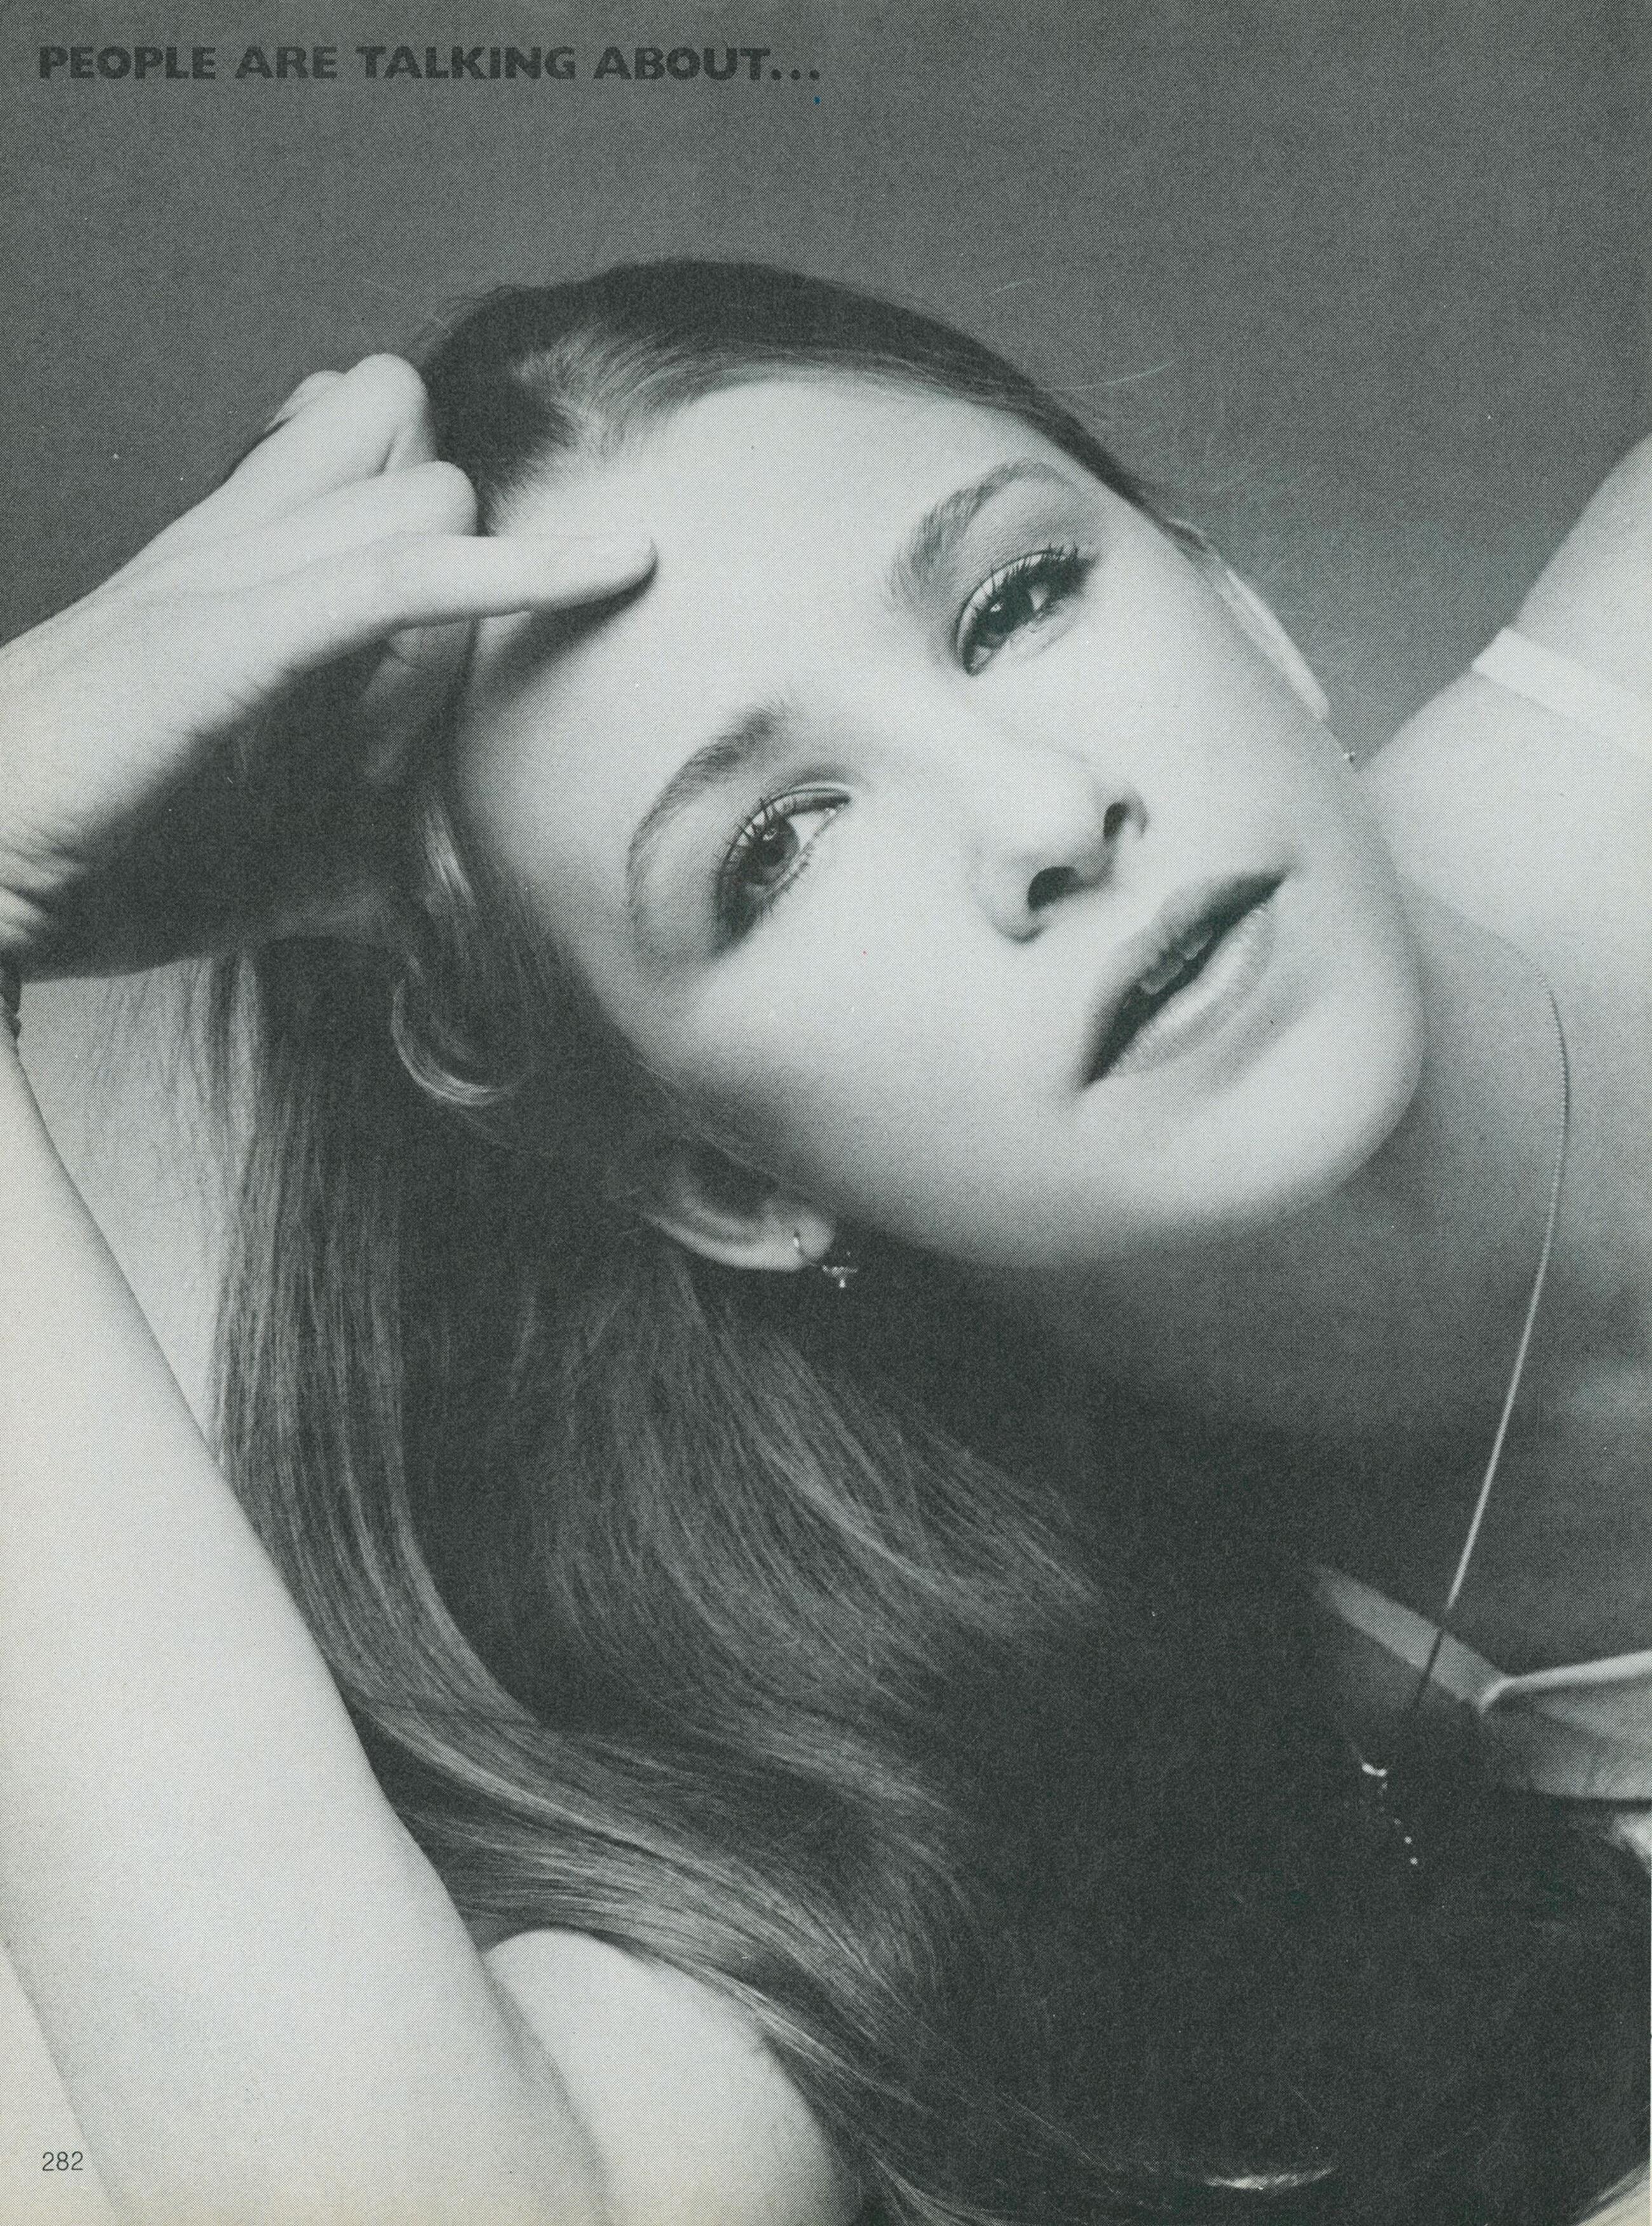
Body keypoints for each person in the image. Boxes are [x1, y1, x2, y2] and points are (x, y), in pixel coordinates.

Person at [1, 261, 1647, 2226]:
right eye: (775, 846)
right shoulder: (992, 1683)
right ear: (724, 1184)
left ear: (1248, 620)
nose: (1043, 815)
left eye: (1015, 603)